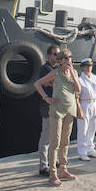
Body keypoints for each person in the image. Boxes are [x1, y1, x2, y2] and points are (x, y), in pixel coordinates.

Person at [33, 48, 82, 186]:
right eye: (65, 58)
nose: (68, 60)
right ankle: (52, 173)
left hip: (69, 111)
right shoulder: (55, 73)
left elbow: (79, 89)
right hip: (57, 111)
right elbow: (37, 84)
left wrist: (72, 72)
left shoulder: (74, 73)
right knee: (55, 142)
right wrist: (46, 98)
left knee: (65, 142)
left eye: (70, 57)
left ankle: (63, 169)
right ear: (60, 61)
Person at [36, 45, 60, 176]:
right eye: (55, 54)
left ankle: (53, 160)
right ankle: (43, 165)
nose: (57, 56)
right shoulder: (45, 69)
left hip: (56, 105)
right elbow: (45, 83)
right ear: (49, 55)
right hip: (47, 105)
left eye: (58, 54)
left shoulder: (57, 69)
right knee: (46, 136)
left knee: (54, 136)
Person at [76, 58, 96, 161]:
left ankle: (90, 149)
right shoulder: (80, 80)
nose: (88, 68)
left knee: (92, 128)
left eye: (90, 66)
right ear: (82, 67)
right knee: (83, 129)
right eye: (86, 66)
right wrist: (79, 110)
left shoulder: (95, 78)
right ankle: (82, 152)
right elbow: (77, 96)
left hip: (94, 104)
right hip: (84, 104)